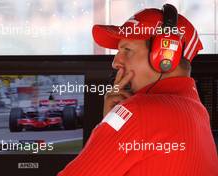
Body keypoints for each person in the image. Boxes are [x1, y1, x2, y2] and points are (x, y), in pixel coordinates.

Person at [58, 4, 218, 176]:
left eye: (127, 50)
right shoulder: (198, 113)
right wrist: (111, 127)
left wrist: (111, 123)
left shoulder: (139, 111)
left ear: (165, 55)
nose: (115, 62)